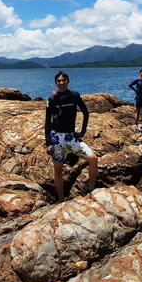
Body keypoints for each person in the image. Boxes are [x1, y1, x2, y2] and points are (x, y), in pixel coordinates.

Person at [44, 71, 98, 201]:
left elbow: (86, 113)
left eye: (63, 80)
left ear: (68, 81)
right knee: (58, 170)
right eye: (59, 81)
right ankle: (61, 200)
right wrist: (49, 142)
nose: (61, 82)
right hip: (57, 138)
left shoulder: (74, 95)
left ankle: (92, 191)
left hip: (71, 137)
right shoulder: (52, 99)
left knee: (93, 159)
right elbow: (47, 123)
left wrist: (82, 132)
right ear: (56, 83)